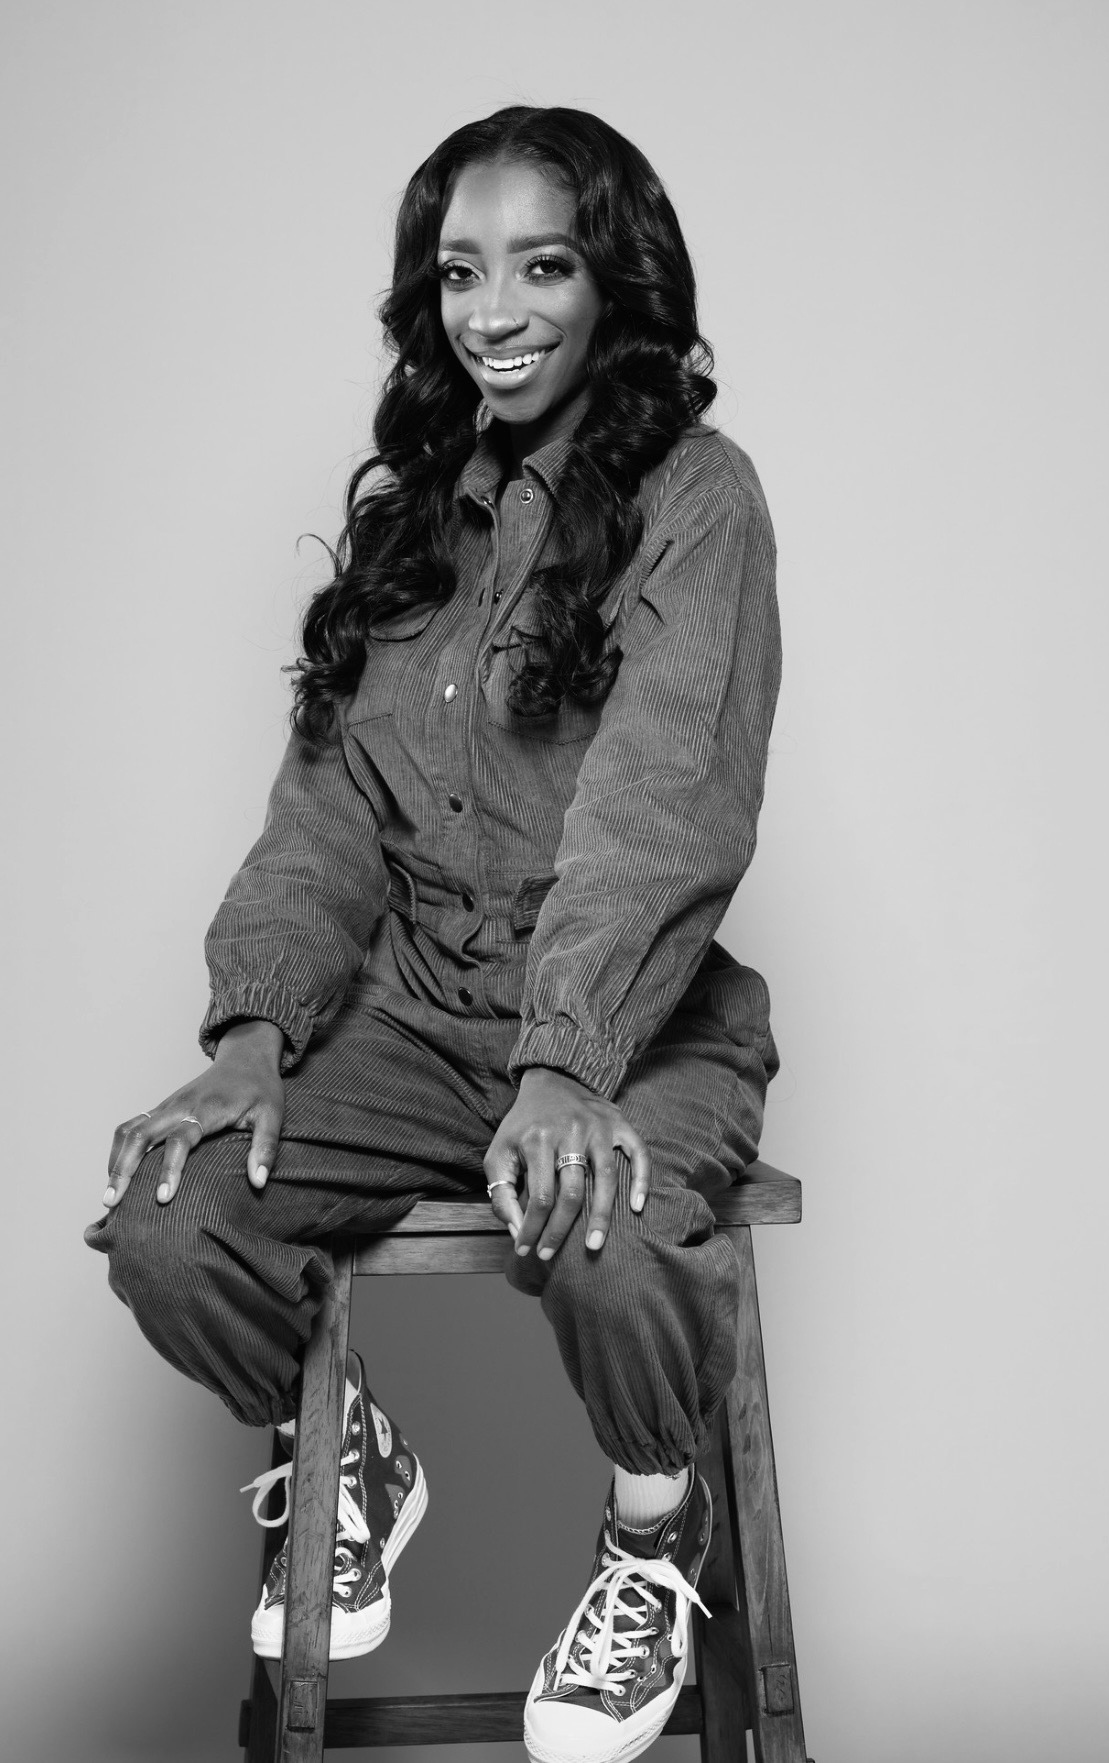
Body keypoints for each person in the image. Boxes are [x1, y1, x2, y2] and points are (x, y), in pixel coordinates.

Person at [87, 105, 780, 1763]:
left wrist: (566, 1062)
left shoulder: (698, 497)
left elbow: (660, 804)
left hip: (641, 1017)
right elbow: (323, 826)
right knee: (171, 1219)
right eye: (461, 272)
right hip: (414, 1015)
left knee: (604, 1236)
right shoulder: (412, 523)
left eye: (542, 265)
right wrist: (251, 1034)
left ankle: (648, 1538)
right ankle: (349, 1461)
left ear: (614, 280)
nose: (498, 311)